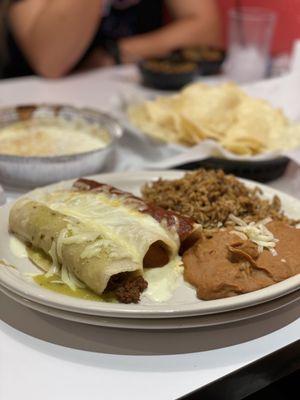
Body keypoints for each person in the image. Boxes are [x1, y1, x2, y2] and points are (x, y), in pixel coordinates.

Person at [1, 0, 221, 78]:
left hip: (127, 94)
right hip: (35, 116)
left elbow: (206, 29)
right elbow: (51, 62)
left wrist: (114, 53)